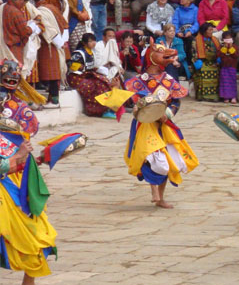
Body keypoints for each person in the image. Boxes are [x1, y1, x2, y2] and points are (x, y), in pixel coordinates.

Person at [0, 60, 57, 285]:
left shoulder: (18, 109)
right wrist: (15, 158)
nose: (10, 79)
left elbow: (23, 144)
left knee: (41, 232)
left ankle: (28, 284)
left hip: (16, 182)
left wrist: (35, 157)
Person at [124, 43, 199, 209]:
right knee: (149, 157)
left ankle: (161, 196)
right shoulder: (139, 81)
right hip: (145, 125)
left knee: (169, 159)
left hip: (164, 124)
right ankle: (154, 192)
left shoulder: (168, 80)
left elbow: (176, 102)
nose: (167, 54)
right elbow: (130, 100)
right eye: (160, 52)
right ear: (151, 56)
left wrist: (168, 114)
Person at [34, 0, 68, 108]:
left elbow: (47, 29)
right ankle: (52, 99)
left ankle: (54, 101)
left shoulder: (40, 11)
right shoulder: (53, 7)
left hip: (49, 44)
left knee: (51, 73)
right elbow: (65, 23)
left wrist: (59, 42)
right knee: (54, 71)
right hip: (58, 42)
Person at [67, 33, 116, 118]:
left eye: (94, 40)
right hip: (76, 77)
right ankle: (95, 110)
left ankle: (107, 108)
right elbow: (71, 65)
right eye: (90, 41)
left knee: (103, 81)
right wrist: (81, 67)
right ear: (84, 43)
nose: (93, 43)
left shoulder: (91, 53)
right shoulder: (79, 53)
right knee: (95, 85)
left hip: (86, 75)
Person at [192, 22, 220, 101]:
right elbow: (194, 53)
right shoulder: (196, 40)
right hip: (202, 61)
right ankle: (202, 96)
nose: (211, 32)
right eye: (210, 30)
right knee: (203, 70)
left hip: (213, 62)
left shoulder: (215, 40)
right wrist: (197, 61)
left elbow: (219, 51)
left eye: (212, 30)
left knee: (216, 70)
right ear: (204, 31)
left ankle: (214, 96)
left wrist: (219, 59)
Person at [173, 0, 199, 65]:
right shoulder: (178, 10)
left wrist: (190, 31)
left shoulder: (195, 9)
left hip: (191, 32)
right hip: (180, 32)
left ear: (188, 1)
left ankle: (189, 63)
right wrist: (177, 31)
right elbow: (175, 22)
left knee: (190, 41)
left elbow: (197, 23)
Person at [217, 31, 238, 103]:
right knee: (224, 81)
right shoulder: (221, 47)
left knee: (232, 82)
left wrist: (231, 48)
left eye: (229, 39)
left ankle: (233, 96)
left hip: (232, 67)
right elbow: (219, 55)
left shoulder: (235, 47)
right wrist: (225, 48)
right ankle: (225, 97)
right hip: (224, 66)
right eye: (226, 39)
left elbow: (235, 56)